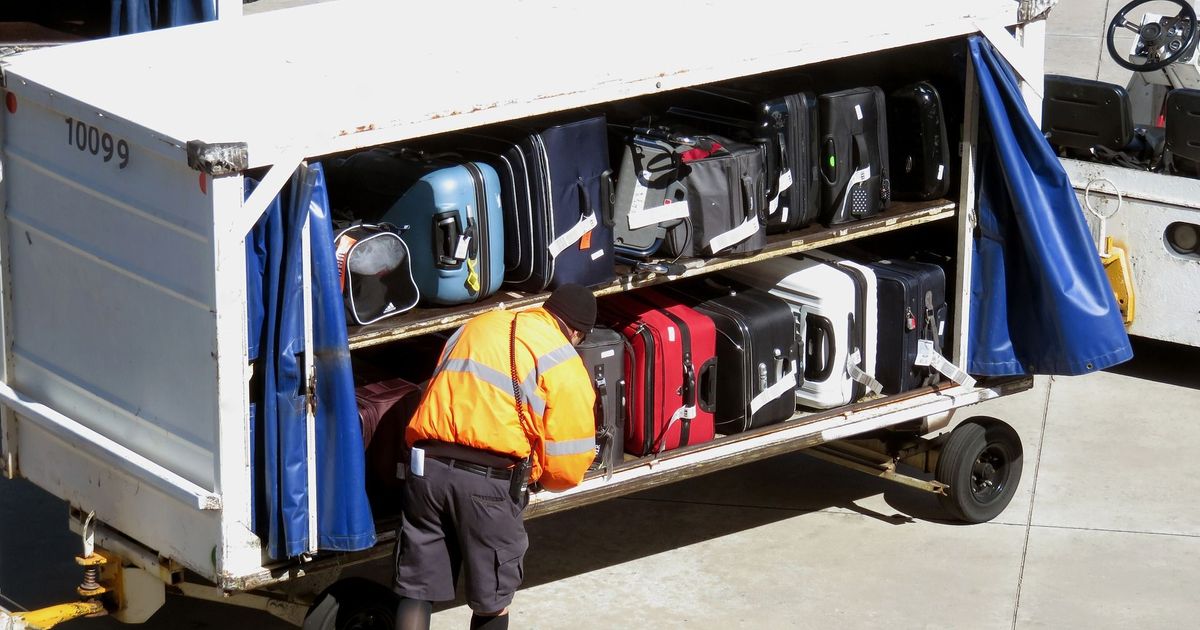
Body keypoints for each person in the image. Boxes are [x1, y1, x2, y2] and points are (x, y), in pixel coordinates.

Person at [393, 283, 599, 630]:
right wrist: (538, 477)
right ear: (577, 332)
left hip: (425, 470)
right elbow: (567, 465)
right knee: (493, 600)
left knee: (417, 588)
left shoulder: (478, 325)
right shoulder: (562, 357)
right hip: (487, 484)